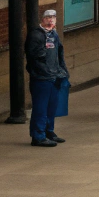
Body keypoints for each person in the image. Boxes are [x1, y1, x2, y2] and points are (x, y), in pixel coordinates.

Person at [25, 8, 69, 146]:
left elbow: (59, 55)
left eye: (53, 17)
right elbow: (34, 58)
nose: (50, 20)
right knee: (41, 108)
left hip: (54, 76)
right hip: (42, 78)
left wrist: (62, 71)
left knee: (51, 107)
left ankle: (49, 131)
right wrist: (46, 72)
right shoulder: (36, 35)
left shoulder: (54, 34)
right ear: (42, 20)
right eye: (48, 17)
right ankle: (38, 136)